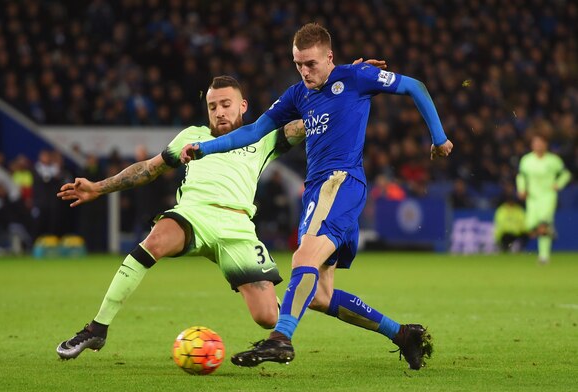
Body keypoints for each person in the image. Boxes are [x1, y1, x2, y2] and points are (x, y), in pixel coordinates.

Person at [181, 23, 453, 370]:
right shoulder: (297, 95)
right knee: (320, 297)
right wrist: (205, 148)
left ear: (329, 57)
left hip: (340, 183)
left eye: (310, 63)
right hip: (318, 190)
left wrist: (439, 137)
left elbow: (414, 86)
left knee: (302, 259)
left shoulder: (356, 77)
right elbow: (252, 131)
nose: (304, 71)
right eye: (298, 64)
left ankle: (281, 340)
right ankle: (402, 334)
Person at [55, 75, 309, 359]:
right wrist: (98, 188)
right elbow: (149, 169)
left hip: (237, 227)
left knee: (266, 318)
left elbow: (307, 123)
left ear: (243, 106)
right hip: (192, 214)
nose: (219, 112)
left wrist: (342, 86)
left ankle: (279, 308)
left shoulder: (263, 137)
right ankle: (97, 329)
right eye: (213, 106)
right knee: (154, 241)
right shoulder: (192, 136)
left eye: (226, 104)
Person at [516, 134, 571, 264]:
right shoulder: (526, 160)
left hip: (548, 196)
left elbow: (566, 174)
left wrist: (558, 184)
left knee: (542, 224)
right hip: (532, 197)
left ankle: (544, 257)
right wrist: (521, 189)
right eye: (536, 143)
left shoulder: (553, 160)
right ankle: (549, 230)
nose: (538, 145)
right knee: (530, 225)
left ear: (546, 145)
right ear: (532, 145)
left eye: (541, 143)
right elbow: (521, 176)